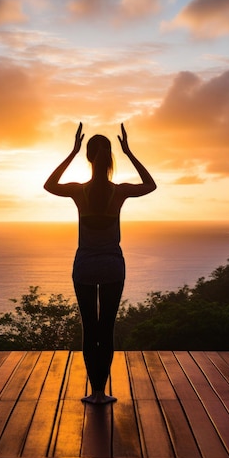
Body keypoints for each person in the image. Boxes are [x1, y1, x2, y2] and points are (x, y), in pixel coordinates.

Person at [44, 122, 156, 404]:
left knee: (89, 328)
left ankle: (92, 392)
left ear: (89, 158)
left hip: (84, 266)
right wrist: (129, 152)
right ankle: (102, 392)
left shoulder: (78, 192)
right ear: (110, 159)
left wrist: (72, 152)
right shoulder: (119, 192)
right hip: (112, 267)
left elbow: (49, 185)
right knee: (106, 328)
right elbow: (150, 185)